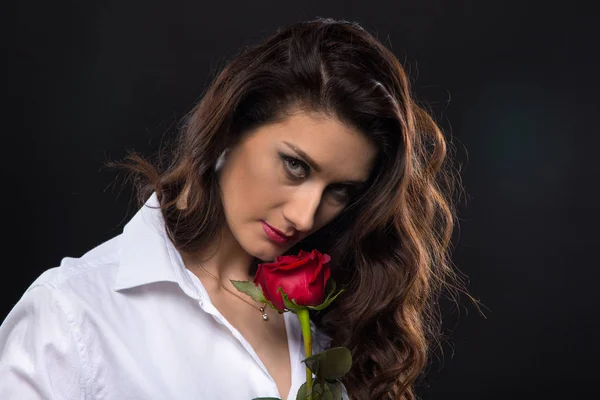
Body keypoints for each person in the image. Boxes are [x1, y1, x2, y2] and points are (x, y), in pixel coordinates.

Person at [0, 17, 471, 400]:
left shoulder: (339, 315)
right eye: (295, 166)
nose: (305, 217)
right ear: (230, 128)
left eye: (340, 191)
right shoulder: (71, 315)